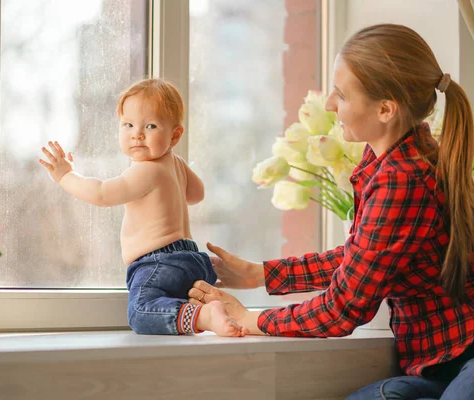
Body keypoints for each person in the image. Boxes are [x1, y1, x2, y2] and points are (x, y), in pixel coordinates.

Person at [187, 24, 474, 399]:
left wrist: (249, 319)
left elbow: (343, 309)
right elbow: (363, 256)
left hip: (460, 357)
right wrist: (261, 274)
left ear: (385, 109)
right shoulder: (395, 159)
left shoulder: (402, 178)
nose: (329, 105)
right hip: (440, 362)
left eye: (341, 94)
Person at [38, 78, 249, 337]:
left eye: (150, 126)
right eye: (128, 125)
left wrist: (64, 176)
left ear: (175, 135)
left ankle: (204, 315)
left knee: (140, 311)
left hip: (158, 263)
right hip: (194, 261)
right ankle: (200, 312)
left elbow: (102, 194)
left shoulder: (146, 171)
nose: (137, 134)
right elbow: (197, 194)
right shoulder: (175, 164)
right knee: (165, 303)